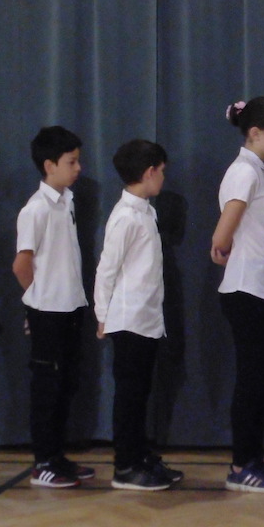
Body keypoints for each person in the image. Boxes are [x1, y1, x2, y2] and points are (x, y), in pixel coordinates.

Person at [211, 96, 264, 493]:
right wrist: (223, 247)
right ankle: (241, 464)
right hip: (249, 291)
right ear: (256, 133)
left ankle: (254, 459)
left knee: (263, 381)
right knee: (251, 381)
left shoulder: (262, 171)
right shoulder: (243, 172)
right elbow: (222, 233)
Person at [95, 139, 181, 491]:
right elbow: (107, 268)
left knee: (140, 393)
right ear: (149, 172)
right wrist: (102, 314)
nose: (163, 177)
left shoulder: (146, 211)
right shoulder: (126, 217)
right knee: (129, 396)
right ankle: (125, 465)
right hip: (129, 320)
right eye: (161, 171)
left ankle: (140, 455)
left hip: (146, 319)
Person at [12, 126, 95, 489]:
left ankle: (58, 456)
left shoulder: (67, 201)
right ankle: (43, 461)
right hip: (48, 311)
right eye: (71, 162)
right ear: (49, 165)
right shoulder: (36, 209)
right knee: (47, 388)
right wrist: (38, 302)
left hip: (71, 307)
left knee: (66, 385)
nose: (78, 168)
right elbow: (21, 265)